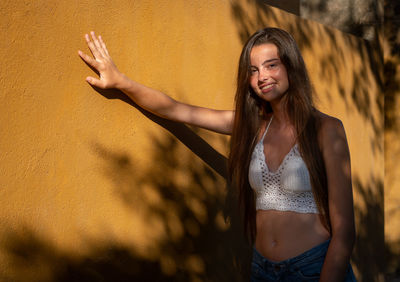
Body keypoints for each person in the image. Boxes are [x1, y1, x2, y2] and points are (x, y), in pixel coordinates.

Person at [78, 28, 356, 281]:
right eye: (253, 70)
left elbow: (344, 231)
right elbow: (177, 110)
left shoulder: (326, 129)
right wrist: (121, 82)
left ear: (291, 66)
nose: (262, 77)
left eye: (271, 65)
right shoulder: (252, 125)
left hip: (313, 269)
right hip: (262, 271)